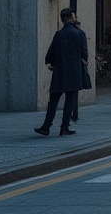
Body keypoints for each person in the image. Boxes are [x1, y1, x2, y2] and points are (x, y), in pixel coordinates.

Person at [35, 7, 88, 137]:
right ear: (71, 17)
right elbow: (84, 53)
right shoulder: (79, 34)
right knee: (69, 101)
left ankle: (46, 126)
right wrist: (84, 60)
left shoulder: (59, 34)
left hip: (59, 72)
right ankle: (64, 127)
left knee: (53, 101)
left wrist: (50, 63)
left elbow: (51, 51)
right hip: (74, 72)